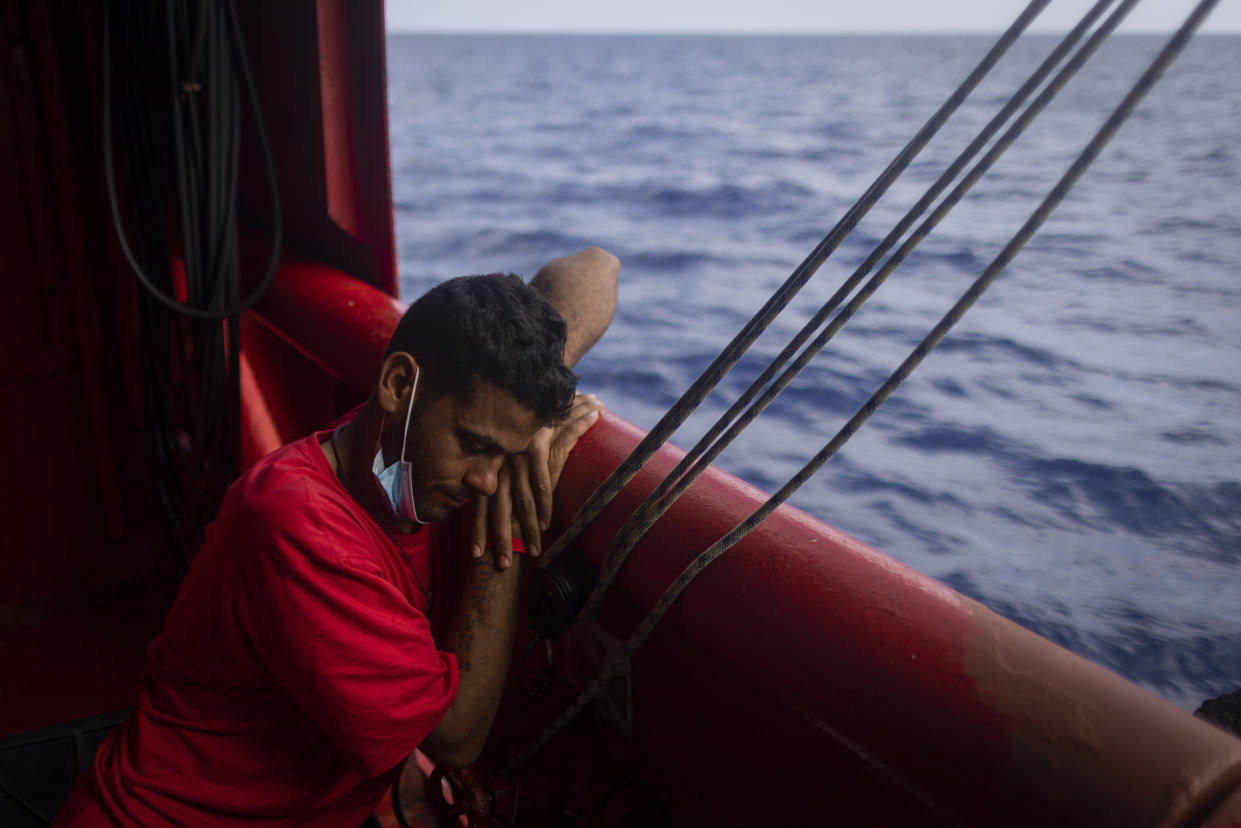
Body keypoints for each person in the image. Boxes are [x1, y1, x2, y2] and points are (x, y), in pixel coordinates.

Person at [54, 247, 620, 827]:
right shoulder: (300, 524)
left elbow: (597, 266)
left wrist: (530, 413)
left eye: (506, 455)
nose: (486, 479)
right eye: (475, 444)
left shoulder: (412, 469)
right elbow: (456, 738)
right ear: (400, 383)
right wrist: (508, 534)